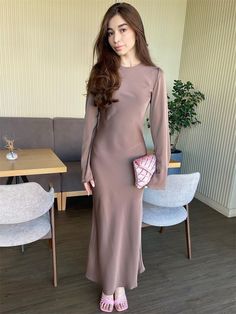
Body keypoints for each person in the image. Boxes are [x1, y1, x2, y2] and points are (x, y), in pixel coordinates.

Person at [81, 2, 170, 312]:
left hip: (133, 165)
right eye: (110, 32)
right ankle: (110, 286)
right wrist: (85, 167)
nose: (116, 38)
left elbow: (160, 127)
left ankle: (121, 283)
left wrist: (159, 169)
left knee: (128, 224)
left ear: (136, 30)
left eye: (122, 29)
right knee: (106, 223)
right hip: (103, 162)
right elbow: (90, 123)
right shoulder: (100, 71)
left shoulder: (154, 75)